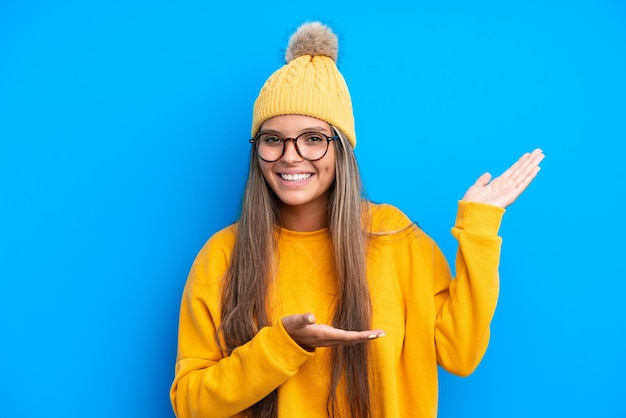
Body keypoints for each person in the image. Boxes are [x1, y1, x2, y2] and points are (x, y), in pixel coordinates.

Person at [170, 21, 544, 418]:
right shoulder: (223, 255)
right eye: (273, 139)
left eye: (314, 138)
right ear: (257, 149)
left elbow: (459, 352)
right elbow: (191, 405)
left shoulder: (393, 236)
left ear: (342, 150)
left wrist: (480, 227)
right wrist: (283, 344)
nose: (290, 155)